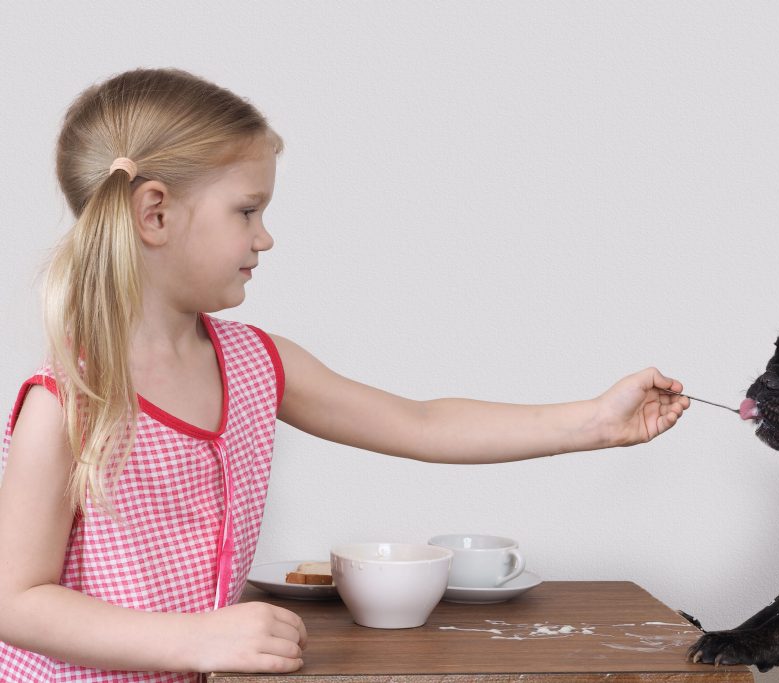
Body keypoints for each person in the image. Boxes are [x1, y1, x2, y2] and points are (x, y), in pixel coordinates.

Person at [0, 68, 689, 682]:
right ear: (155, 213)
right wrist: (193, 637)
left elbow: (421, 421)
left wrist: (596, 420)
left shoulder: (256, 362)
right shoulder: (68, 401)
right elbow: (15, 601)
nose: (265, 237)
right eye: (248, 210)